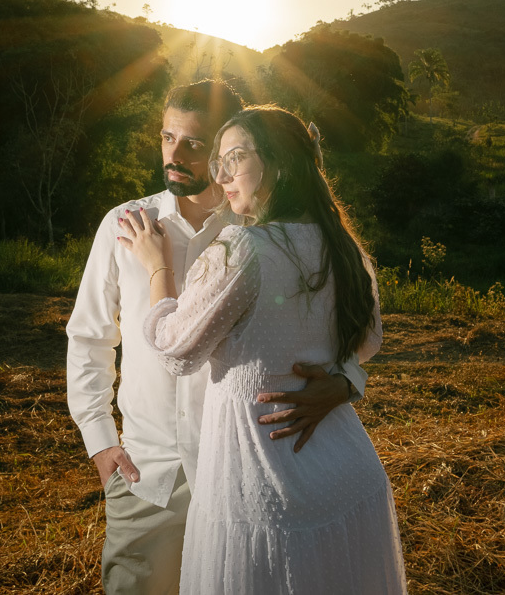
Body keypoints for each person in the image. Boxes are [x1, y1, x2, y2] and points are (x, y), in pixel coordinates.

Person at [67, 81, 362, 595]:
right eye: (167, 137)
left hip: (244, 476)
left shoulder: (262, 234)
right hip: (147, 475)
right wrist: (100, 444)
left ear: (232, 145)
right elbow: (90, 337)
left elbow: (342, 322)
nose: (174, 156)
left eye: (195, 144)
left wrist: (344, 381)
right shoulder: (123, 224)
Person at [119, 105, 406, 595]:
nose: (223, 174)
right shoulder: (345, 246)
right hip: (347, 474)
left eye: (235, 157)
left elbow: (175, 351)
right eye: (219, 161)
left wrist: (155, 266)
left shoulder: (241, 248)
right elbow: (369, 341)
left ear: (279, 164)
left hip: (264, 488)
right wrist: (342, 382)